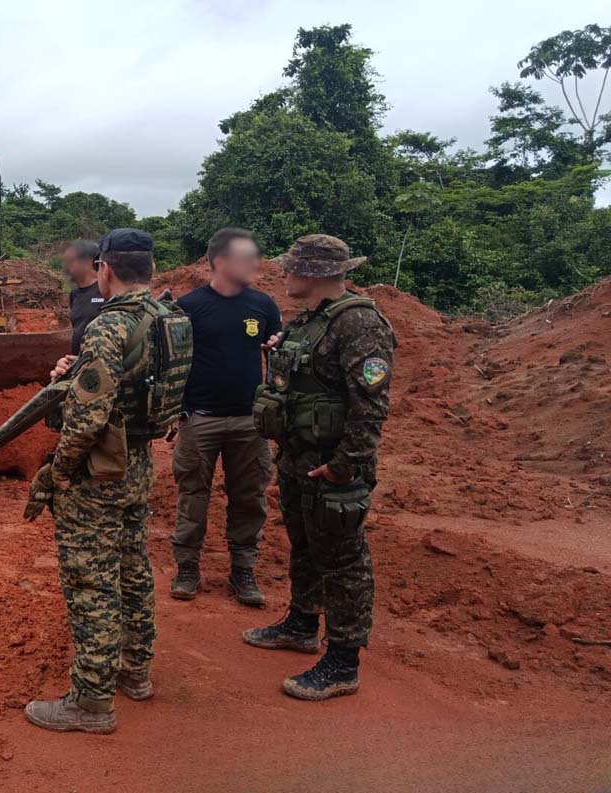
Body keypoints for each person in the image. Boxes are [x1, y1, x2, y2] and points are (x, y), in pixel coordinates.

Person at [24, 228, 174, 735]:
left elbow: (87, 419)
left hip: (99, 475)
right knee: (134, 566)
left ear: (104, 269)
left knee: (92, 580)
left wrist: (59, 471)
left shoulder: (109, 325)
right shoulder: (165, 317)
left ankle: (90, 701)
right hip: (138, 465)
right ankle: (136, 671)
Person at [244, 234, 396, 701]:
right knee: (306, 548)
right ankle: (303, 622)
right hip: (297, 459)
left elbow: (369, 408)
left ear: (312, 274)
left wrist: (343, 467)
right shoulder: (308, 322)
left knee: (344, 561)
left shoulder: (360, 325)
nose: (283, 274)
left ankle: (343, 662)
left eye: (290, 268)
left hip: (331, 469)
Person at [169, 228, 282, 607]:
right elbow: (173, 362)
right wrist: (174, 411)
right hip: (200, 419)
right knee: (192, 496)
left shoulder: (264, 306)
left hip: (250, 421)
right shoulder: (189, 306)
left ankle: (243, 571)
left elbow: (275, 355)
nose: (254, 264)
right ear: (219, 261)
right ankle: (187, 567)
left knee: (249, 497)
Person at [63, 240, 104, 354]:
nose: (67, 267)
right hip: (80, 364)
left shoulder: (106, 291)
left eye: (71, 261)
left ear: (87, 263)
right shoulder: (74, 294)